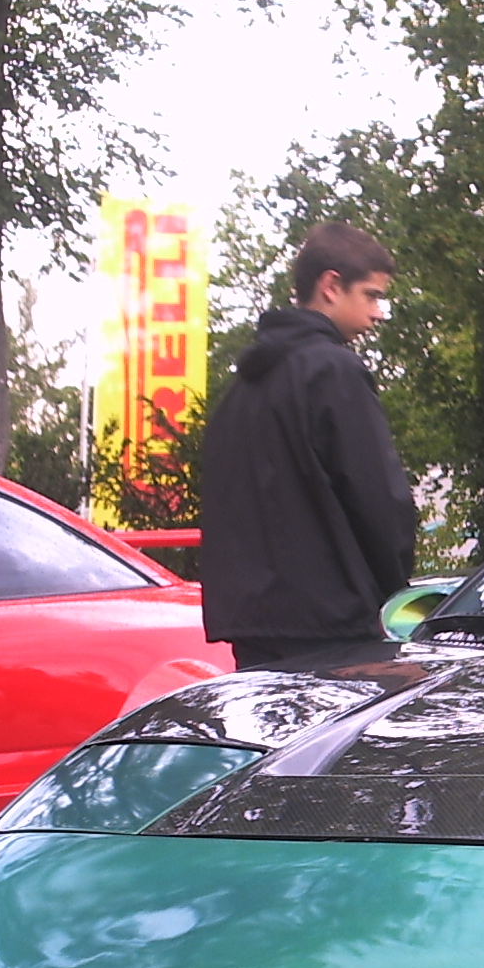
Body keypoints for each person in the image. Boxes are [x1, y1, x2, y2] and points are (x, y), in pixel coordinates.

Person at [200, 222, 416, 669]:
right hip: (332, 625)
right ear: (331, 286)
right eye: (372, 295)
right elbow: (378, 500)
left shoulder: (244, 386)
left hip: (253, 626)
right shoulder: (334, 371)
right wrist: (394, 595)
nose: (379, 313)